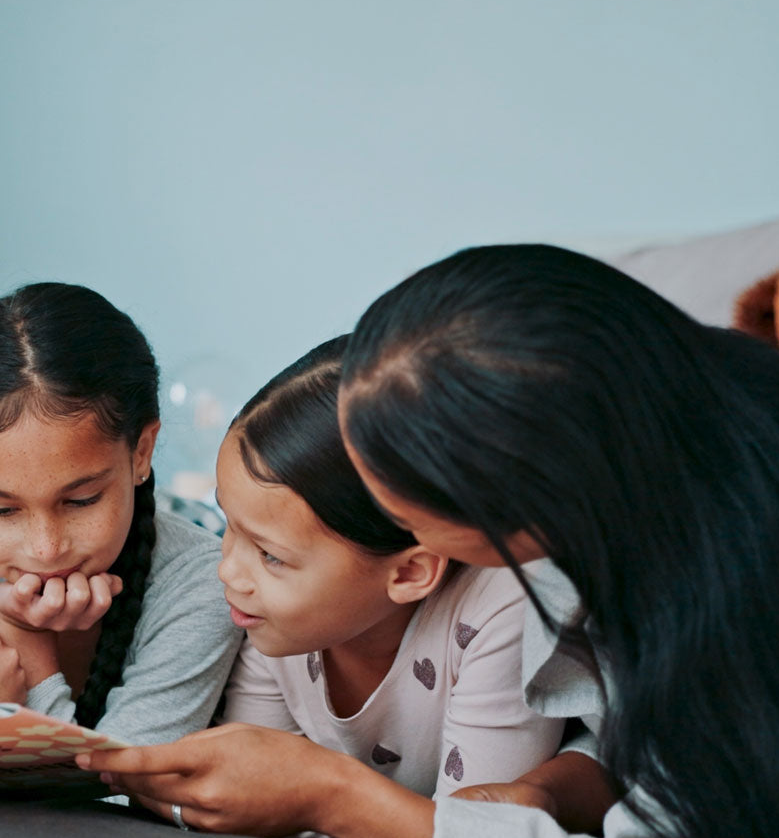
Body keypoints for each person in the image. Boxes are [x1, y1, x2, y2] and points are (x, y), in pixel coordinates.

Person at [88, 244, 779, 838]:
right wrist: (557, 787)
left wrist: (334, 795)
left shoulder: (744, 600)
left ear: (518, 506)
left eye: (394, 483)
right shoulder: (686, 435)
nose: (365, 482)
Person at [0, 283, 240, 742]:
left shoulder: (203, 582)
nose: (46, 549)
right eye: (1, 509)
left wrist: (24, 647)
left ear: (141, 451)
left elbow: (121, 781)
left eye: (81, 500)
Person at [215, 335, 563, 799]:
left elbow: (473, 831)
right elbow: (252, 795)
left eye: (270, 555)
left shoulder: (504, 606)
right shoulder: (278, 621)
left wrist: (318, 802)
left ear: (410, 573)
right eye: (228, 524)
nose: (228, 572)